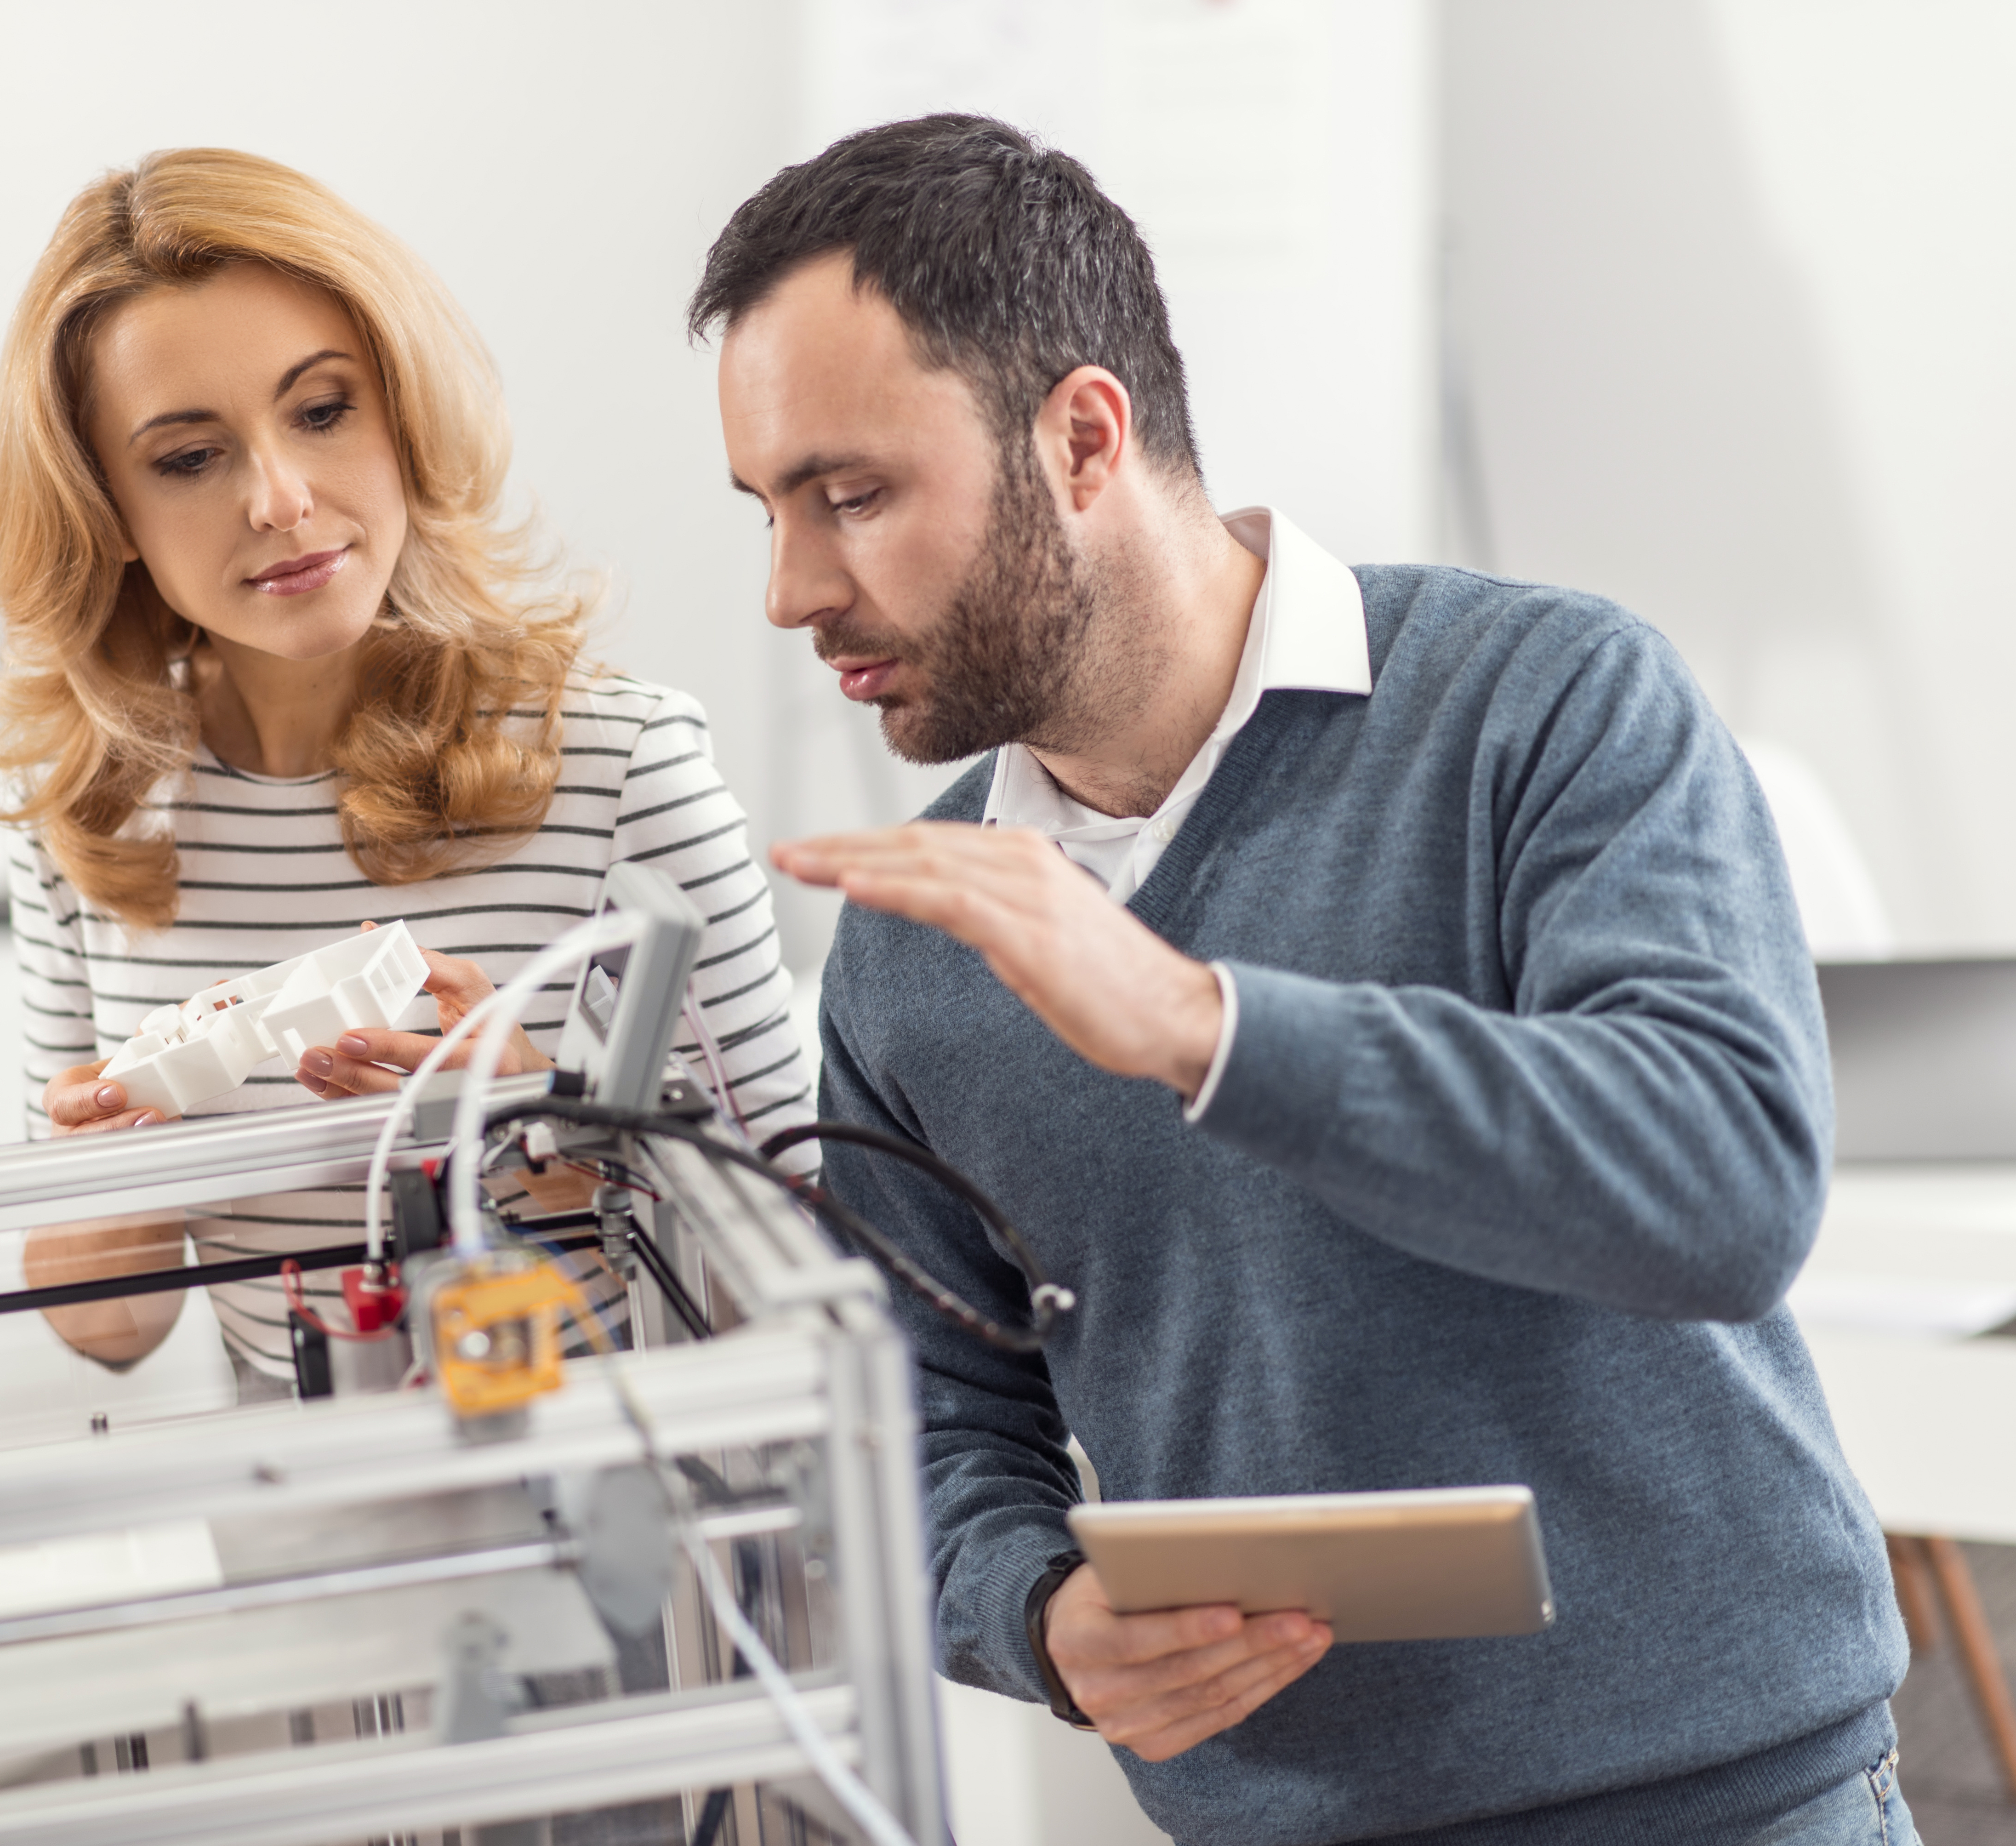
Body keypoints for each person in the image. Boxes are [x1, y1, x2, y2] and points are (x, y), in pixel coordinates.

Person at [695, 115, 1912, 1845]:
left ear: (1084, 439)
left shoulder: (1545, 703)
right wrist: (1033, 1613)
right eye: (770, 511)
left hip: (1723, 1804)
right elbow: (922, 1414)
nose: (790, 591)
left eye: (854, 496)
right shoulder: (918, 941)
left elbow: (1727, 1183)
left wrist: (1204, 1029)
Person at [0, 148, 804, 1395]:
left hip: (628, 1478)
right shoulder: (90, 822)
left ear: (404, 413)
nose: (280, 499)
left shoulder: (625, 770)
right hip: (305, 1486)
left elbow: (816, 1256)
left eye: (321, 411)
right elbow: (109, 1332)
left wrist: (544, 1127)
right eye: (189, 458)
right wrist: (123, 1177)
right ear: (106, 512)